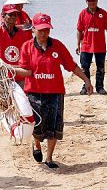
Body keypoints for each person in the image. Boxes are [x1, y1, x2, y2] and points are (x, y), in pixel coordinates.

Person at [14, 13, 94, 169]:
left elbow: (71, 65)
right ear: (33, 29)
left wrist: (86, 80)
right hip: (34, 93)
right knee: (37, 126)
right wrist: (11, 70)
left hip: (55, 93)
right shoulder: (27, 47)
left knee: (54, 127)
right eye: (40, 30)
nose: (44, 33)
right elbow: (26, 71)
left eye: (47, 29)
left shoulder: (57, 45)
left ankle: (49, 158)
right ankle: (36, 144)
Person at [76, 0, 107, 95]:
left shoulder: (103, 13)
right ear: (86, 2)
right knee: (84, 67)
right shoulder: (82, 14)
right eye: (89, 1)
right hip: (86, 45)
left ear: (97, 0)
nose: (92, 2)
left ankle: (100, 87)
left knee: (100, 67)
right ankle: (86, 86)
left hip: (100, 46)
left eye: (93, 0)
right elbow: (79, 30)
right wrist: (77, 45)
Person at [0, 4, 32, 87]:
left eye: (15, 14)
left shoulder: (23, 34)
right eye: (10, 15)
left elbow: (30, 53)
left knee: (24, 99)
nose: (13, 17)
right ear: (3, 16)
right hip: (3, 75)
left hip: (20, 75)